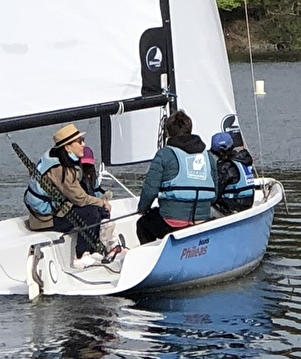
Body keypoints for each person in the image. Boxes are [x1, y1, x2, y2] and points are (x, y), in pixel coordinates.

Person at [24, 124, 121, 267]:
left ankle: (95, 248)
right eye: (79, 141)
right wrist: (102, 202)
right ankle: (81, 255)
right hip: (44, 219)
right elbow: (79, 198)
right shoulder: (59, 169)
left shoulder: (61, 160)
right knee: (90, 212)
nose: (84, 144)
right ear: (68, 147)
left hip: (57, 210)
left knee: (96, 208)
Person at [135, 110, 216, 244]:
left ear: (168, 132)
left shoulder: (164, 154)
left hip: (172, 221)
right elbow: (214, 192)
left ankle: (157, 254)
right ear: (190, 129)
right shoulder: (208, 156)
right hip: (202, 218)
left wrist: (143, 208)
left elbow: (150, 189)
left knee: (143, 225)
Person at [210, 132, 256, 216]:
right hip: (247, 206)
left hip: (230, 209)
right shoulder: (244, 161)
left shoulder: (225, 167)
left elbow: (214, 194)